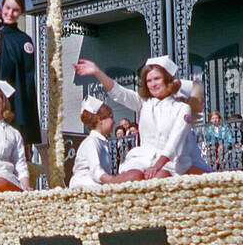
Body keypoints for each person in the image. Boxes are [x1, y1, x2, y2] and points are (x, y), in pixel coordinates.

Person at [73, 56, 210, 180]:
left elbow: (174, 142)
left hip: (171, 163)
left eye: (157, 79)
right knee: (132, 176)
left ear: (167, 80)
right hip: (143, 158)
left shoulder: (181, 108)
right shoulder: (143, 103)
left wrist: (157, 166)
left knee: (159, 178)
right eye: (149, 80)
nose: (153, 84)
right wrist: (97, 72)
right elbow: (119, 93)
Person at [0, 0, 41, 148]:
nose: (10, 13)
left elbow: (22, 73)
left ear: (21, 13)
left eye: (15, 10)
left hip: (14, 100)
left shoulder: (24, 40)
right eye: (7, 7)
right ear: (2, 4)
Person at [69, 98, 117, 189]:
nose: (114, 122)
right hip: (84, 186)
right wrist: (117, 182)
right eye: (111, 117)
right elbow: (96, 172)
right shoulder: (91, 142)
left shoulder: (101, 142)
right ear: (100, 120)